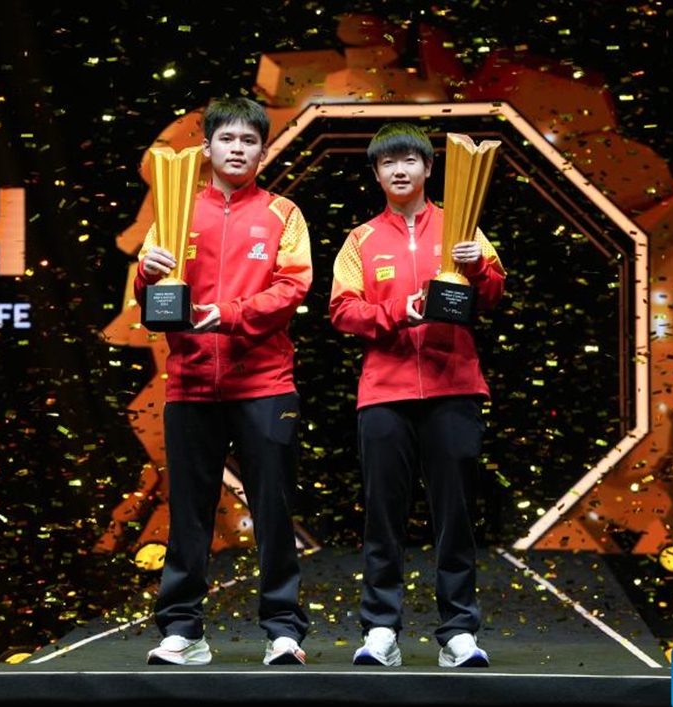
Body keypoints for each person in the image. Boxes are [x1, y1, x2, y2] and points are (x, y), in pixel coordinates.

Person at [136, 96, 312, 666]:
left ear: (264, 149)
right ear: (207, 147)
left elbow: (292, 287)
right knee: (188, 510)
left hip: (264, 383)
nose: (238, 149)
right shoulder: (173, 210)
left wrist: (230, 313)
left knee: (273, 507)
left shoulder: (283, 213)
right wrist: (146, 275)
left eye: (249, 141)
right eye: (227, 140)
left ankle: (283, 630)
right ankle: (183, 630)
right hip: (190, 383)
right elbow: (148, 300)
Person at [328, 122, 505, 668]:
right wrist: (396, 313)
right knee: (384, 514)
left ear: (429, 168)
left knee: (456, 514)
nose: (399, 170)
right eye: (388, 163)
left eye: (410, 160)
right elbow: (342, 309)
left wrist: (476, 264)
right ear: (377, 174)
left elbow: (497, 293)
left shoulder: (463, 224)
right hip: (384, 393)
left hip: (455, 386)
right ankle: (381, 629)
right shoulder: (360, 239)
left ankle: (458, 632)